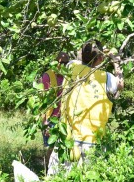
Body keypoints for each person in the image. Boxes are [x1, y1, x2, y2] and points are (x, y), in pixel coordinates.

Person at [47, 40, 123, 175]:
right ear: (100, 58)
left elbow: (79, 58)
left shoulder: (71, 68)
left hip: (67, 134)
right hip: (92, 138)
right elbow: (120, 85)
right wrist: (115, 62)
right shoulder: (106, 78)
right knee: (89, 179)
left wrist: (91, 51)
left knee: (58, 177)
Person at [41, 52, 70, 162]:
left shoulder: (69, 76)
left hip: (64, 118)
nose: (63, 65)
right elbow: (43, 101)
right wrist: (45, 122)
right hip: (51, 118)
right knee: (51, 148)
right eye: (61, 62)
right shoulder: (47, 76)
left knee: (64, 147)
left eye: (66, 63)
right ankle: (46, 170)